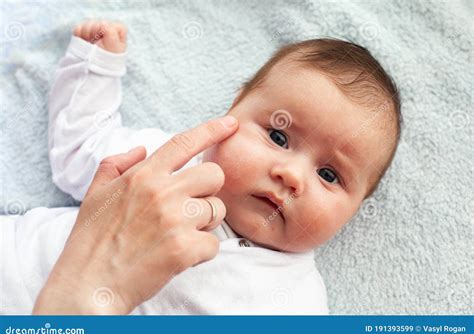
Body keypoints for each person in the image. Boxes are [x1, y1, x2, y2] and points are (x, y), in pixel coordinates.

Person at [1, 19, 402, 314]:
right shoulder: (166, 162)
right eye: (278, 137)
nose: (292, 175)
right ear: (233, 110)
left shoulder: (296, 305)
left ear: (354, 210)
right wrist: (95, 67)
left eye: (329, 175)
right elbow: (83, 149)